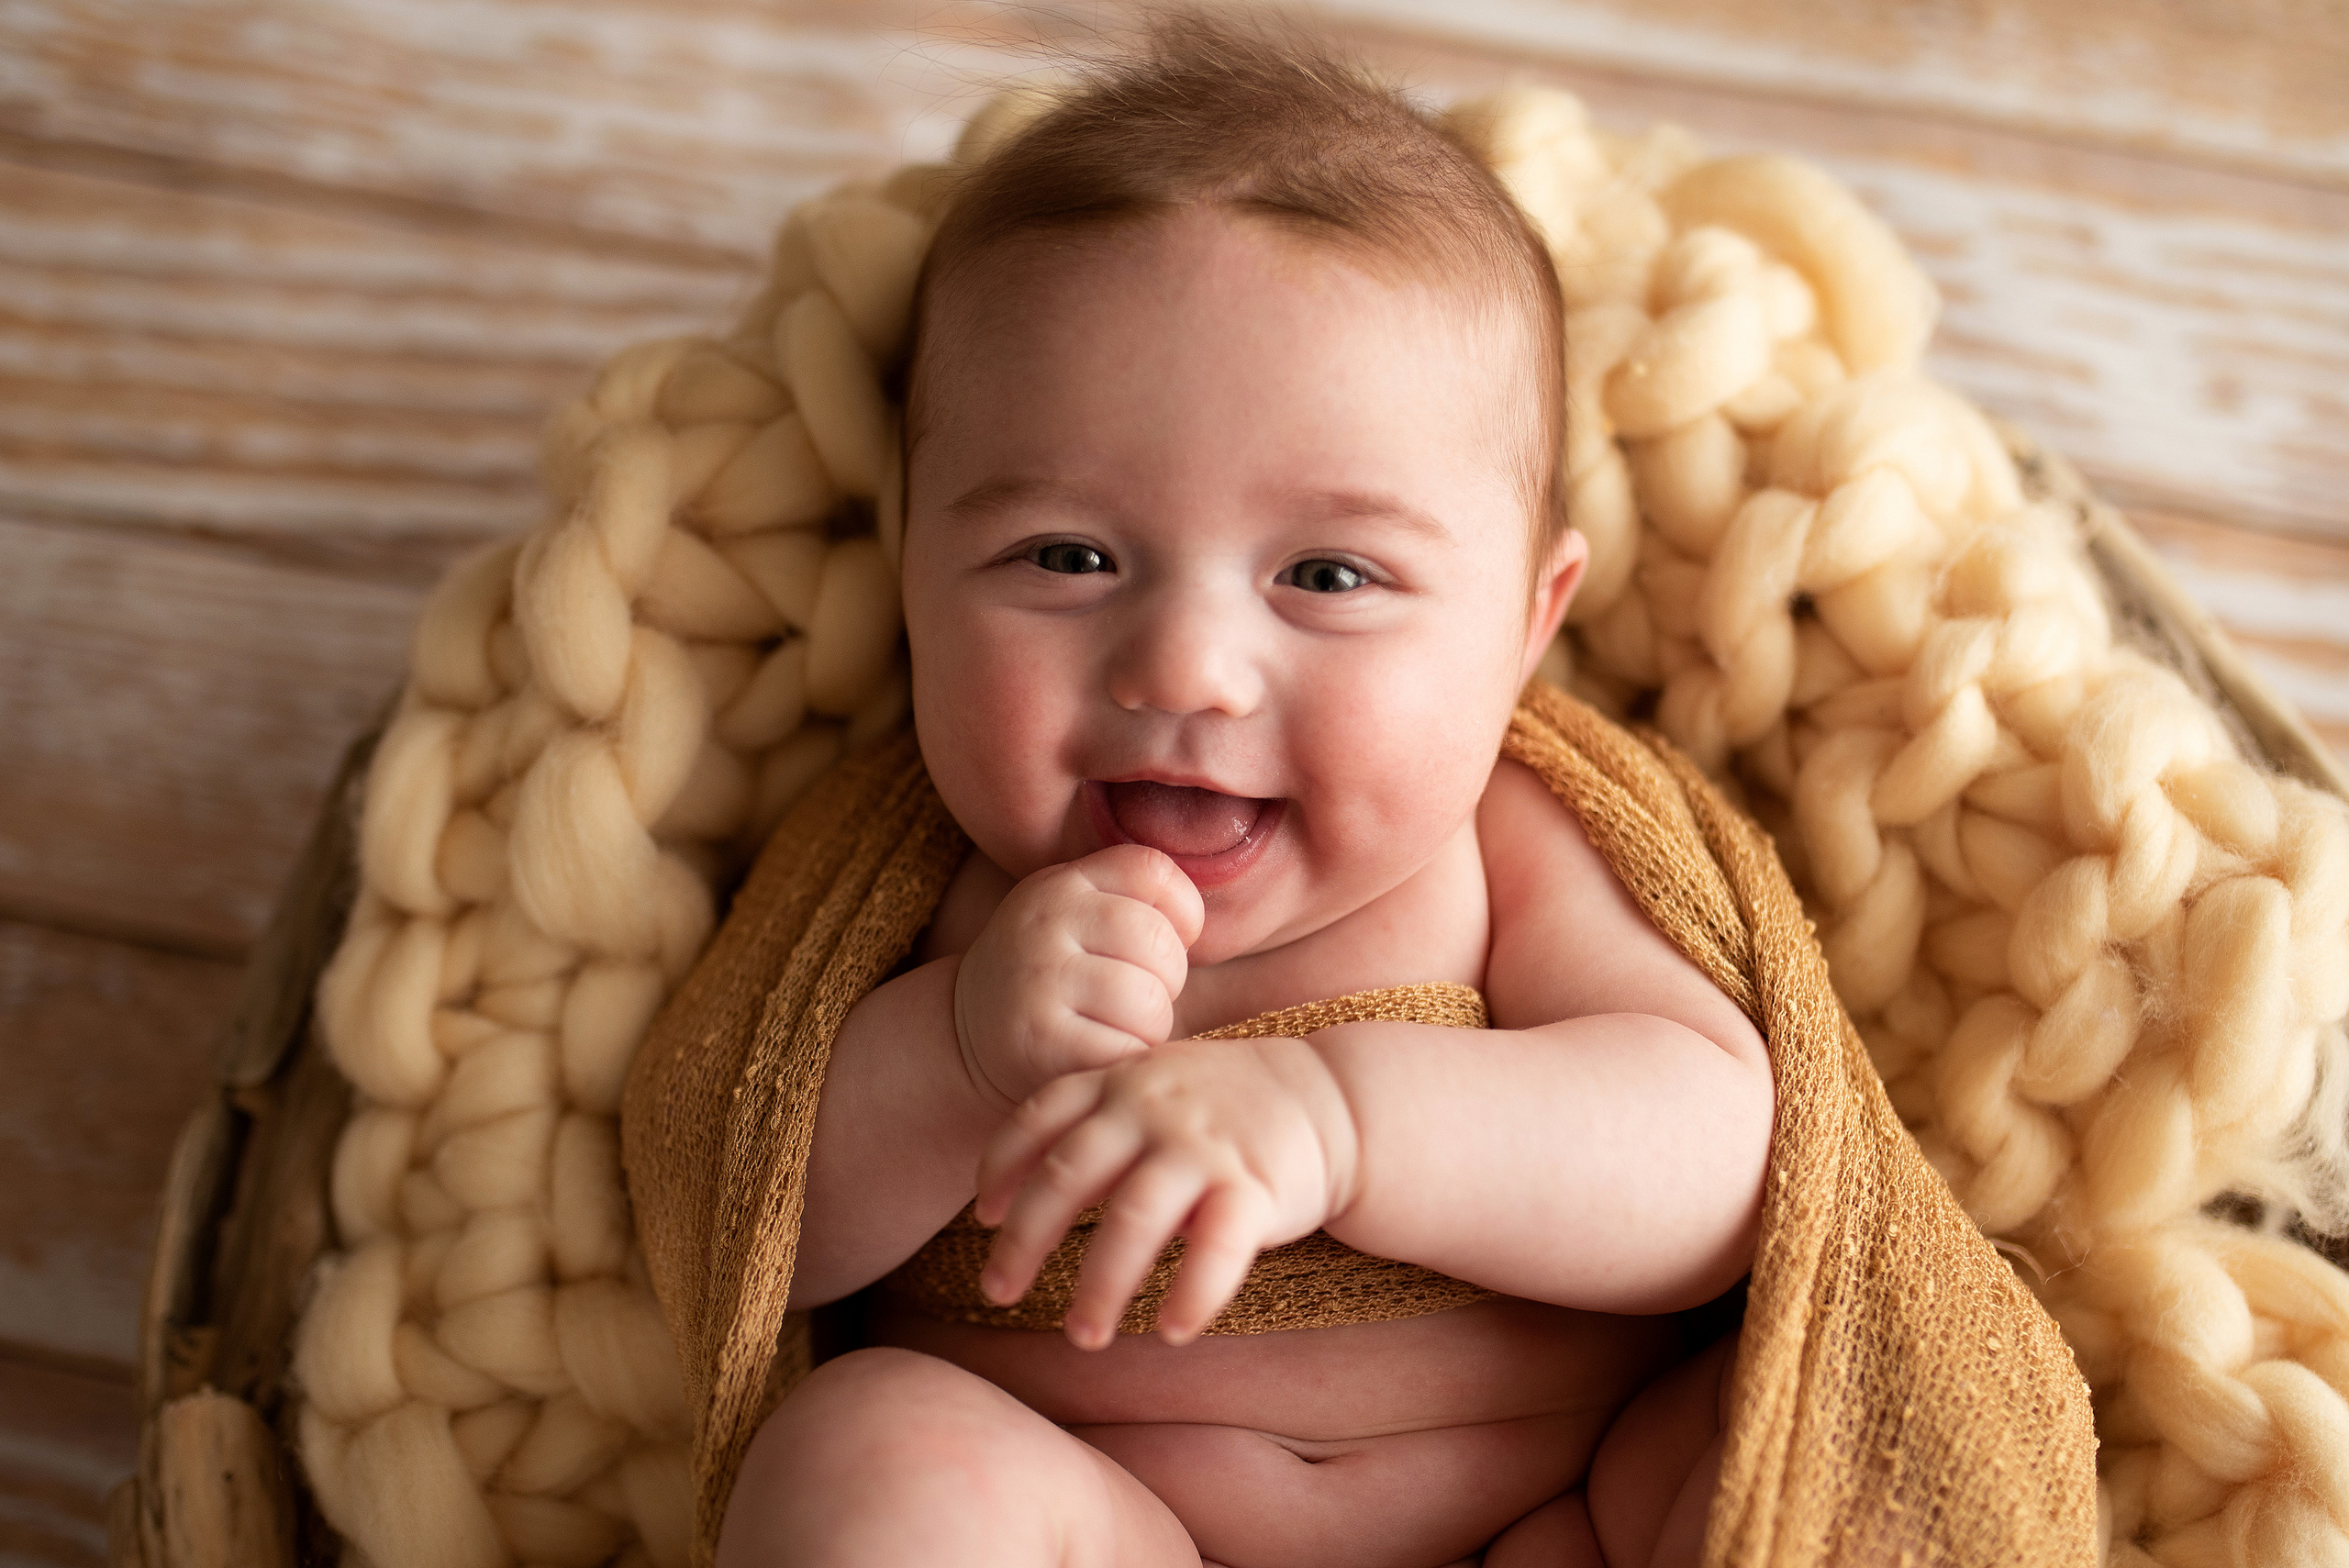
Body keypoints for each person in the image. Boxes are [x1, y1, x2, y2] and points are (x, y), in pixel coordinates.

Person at [715, 17, 1774, 1567]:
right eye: (1069, 556)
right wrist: (956, 1051)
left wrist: (1343, 1120)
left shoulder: (1511, 845)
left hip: (1553, 1521)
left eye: (1329, 573)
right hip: (1113, 1525)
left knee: (1764, 1444)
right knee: (868, 1458)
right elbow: (744, 1223)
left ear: (1524, 626)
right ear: (911, 579)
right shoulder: (925, 888)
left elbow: (1722, 1172)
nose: (1189, 667)